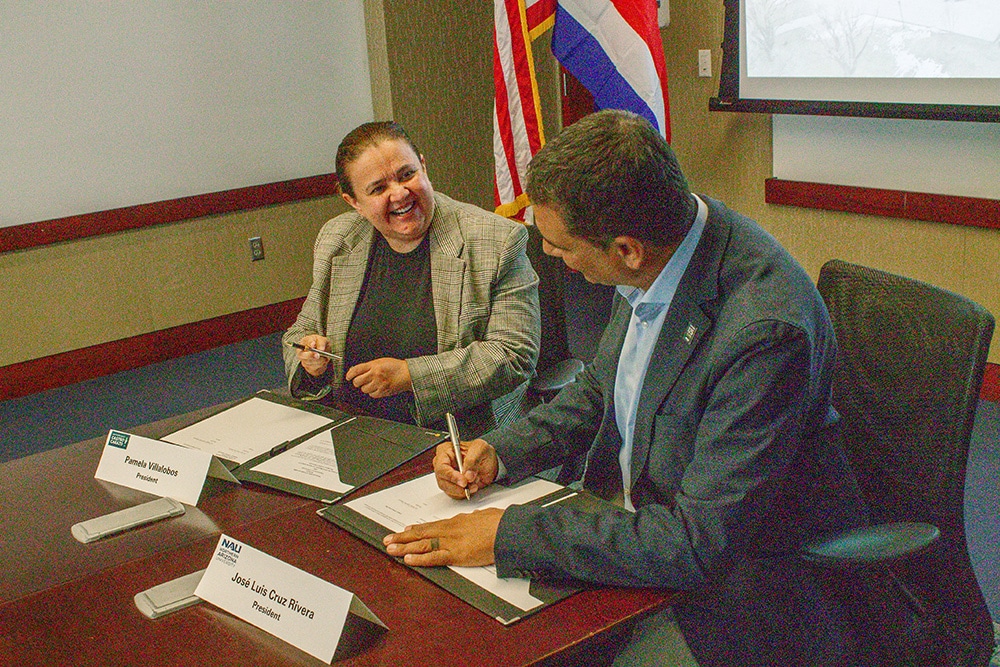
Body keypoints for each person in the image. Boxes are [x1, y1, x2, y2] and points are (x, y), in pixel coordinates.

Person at [381, 110, 890, 666]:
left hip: (742, 588)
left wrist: (512, 534)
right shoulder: (670, 251)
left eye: (559, 246)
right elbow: (601, 390)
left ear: (625, 250)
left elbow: (697, 544)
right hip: (634, 527)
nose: (549, 256)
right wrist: (502, 453)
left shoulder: (762, 330)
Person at [282, 121, 540, 437]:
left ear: (424, 165)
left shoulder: (495, 241)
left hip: (458, 438)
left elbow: (513, 354)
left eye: (407, 174)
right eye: (378, 189)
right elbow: (302, 331)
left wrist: (410, 376)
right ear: (354, 203)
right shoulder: (338, 238)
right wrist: (311, 358)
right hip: (355, 429)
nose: (400, 193)